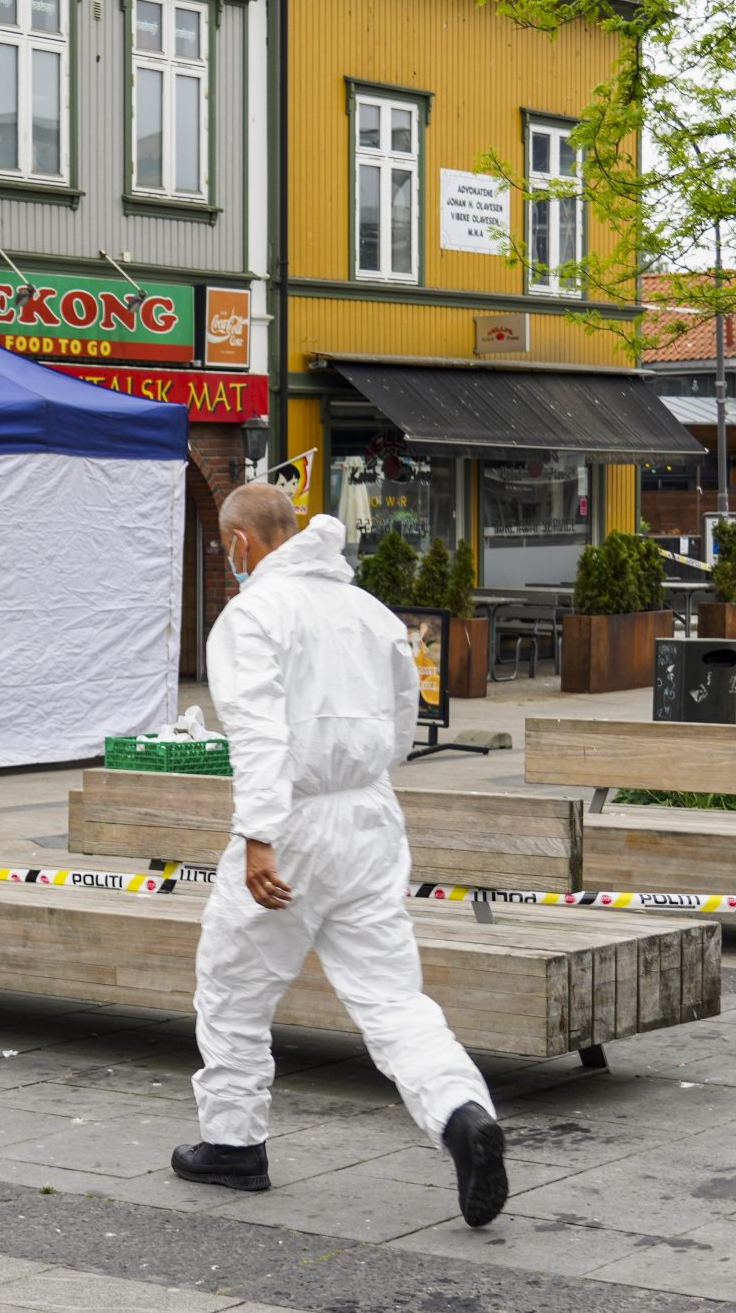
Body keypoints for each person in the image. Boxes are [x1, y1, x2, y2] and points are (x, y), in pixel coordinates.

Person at [171, 482, 508, 1228]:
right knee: (391, 997)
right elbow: (402, 724)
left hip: (293, 822)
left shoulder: (252, 615)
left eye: (226, 548)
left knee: (233, 988)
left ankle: (232, 1143)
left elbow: (258, 731)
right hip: (369, 817)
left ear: (240, 543)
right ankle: (462, 1113)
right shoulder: (370, 611)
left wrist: (259, 835)